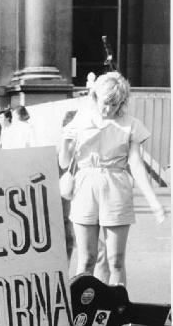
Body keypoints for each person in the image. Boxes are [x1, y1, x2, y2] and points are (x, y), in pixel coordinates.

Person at [59, 71, 165, 286]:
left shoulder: (131, 124)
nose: (108, 109)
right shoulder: (80, 119)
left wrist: (154, 202)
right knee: (86, 260)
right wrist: (65, 141)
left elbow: (135, 165)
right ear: (95, 98)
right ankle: (84, 311)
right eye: (105, 103)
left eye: (115, 104)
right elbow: (64, 162)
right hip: (85, 185)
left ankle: (117, 311)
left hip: (116, 186)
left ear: (122, 102)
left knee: (116, 260)